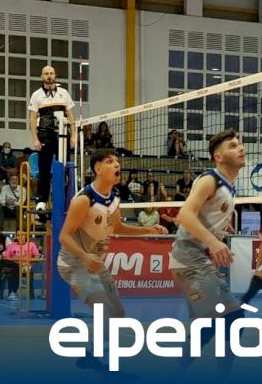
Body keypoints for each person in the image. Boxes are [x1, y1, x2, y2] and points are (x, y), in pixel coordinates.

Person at [59, 148, 167, 372]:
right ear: (98, 169)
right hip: (74, 262)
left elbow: (117, 227)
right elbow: (64, 236)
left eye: (117, 161)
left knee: (117, 313)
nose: (117, 164)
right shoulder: (84, 200)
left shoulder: (115, 197)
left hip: (96, 263)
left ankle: (90, 355)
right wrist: (85, 256)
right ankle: (110, 367)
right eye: (110, 161)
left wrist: (148, 230)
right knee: (103, 309)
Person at [171, 129, 245, 374]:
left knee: (211, 322)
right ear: (218, 156)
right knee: (231, 318)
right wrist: (213, 242)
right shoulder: (210, 180)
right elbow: (184, 215)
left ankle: (178, 371)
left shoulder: (229, 187)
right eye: (233, 145)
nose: (241, 148)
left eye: (240, 144)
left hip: (196, 260)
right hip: (189, 257)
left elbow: (206, 216)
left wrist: (219, 232)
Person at [29, 65, 76, 204]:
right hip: (44, 136)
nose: (49, 76)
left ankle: (65, 199)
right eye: (46, 73)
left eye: (51, 73)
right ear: (42, 76)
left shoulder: (64, 93)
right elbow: (32, 118)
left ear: (55, 75)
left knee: (64, 168)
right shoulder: (36, 95)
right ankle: (42, 201)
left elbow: (70, 116)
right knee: (44, 168)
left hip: (62, 136)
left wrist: (73, 135)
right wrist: (35, 139)